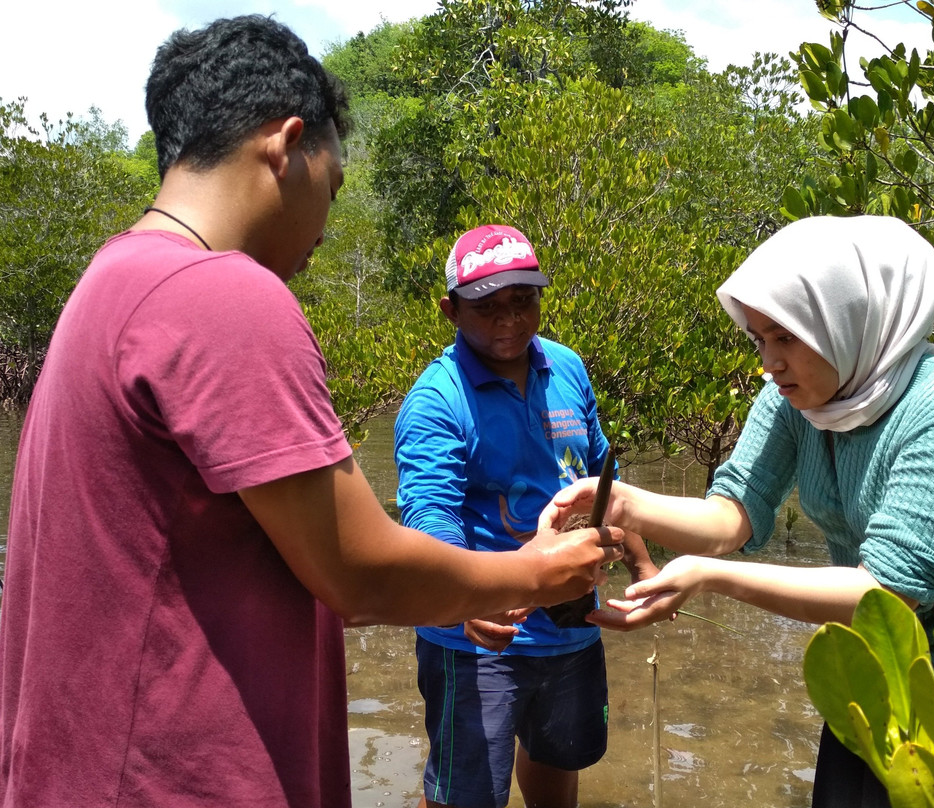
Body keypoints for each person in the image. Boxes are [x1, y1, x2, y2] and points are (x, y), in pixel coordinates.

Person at [0, 19, 624, 808]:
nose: (325, 230)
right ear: (287, 145)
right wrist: (533, 573)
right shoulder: (222, 294)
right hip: (184, 780)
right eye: (329, 188)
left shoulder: (110, 280)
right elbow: (357, 574)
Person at [539, 215, 934, 807]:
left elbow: (887, 592)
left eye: (787, 338)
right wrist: (619, 500)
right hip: (875, 667)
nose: (769, 363)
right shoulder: (799, 398)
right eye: (760, 340)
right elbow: (731, 517)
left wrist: (707, 577)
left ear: (844, 321)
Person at [394, 223, 658, 808]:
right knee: (465, 795)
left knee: (558, 773)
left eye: (523, 301)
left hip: (569, 626)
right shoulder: (437, 401)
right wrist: (466, 604)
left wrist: (643, 565)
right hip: (476, 641)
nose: (509, 320)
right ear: (450, 311)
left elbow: (600, 482)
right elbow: (429, 520)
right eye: (487, 307)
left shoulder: (566, 367)